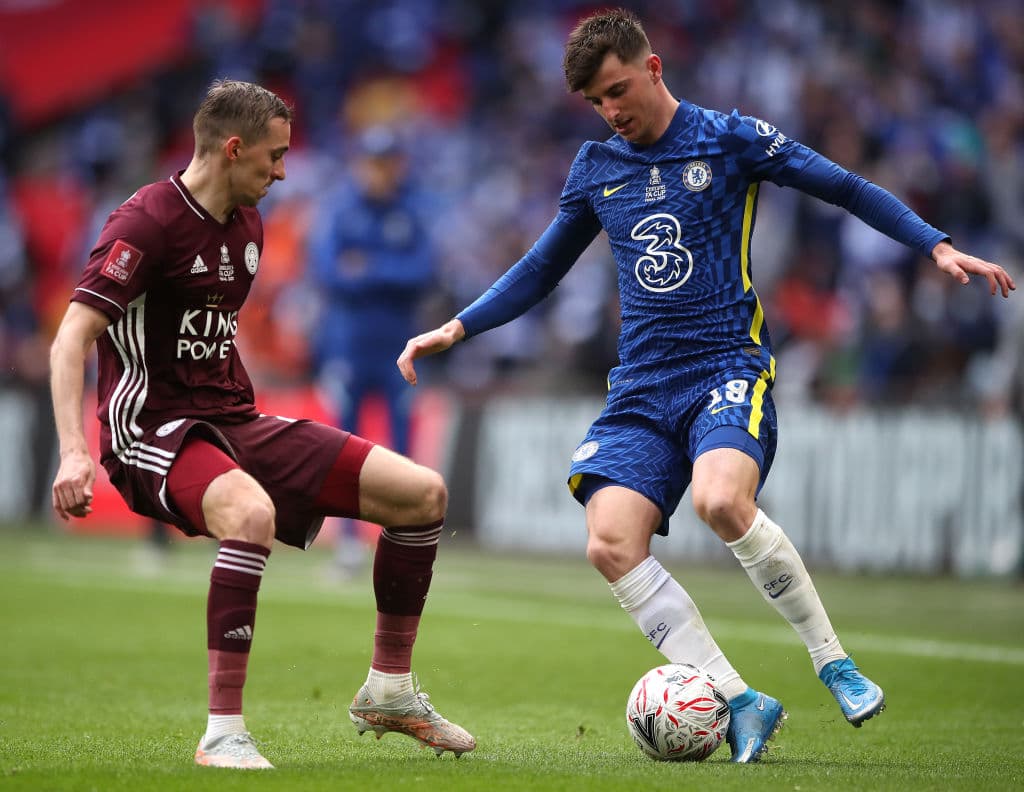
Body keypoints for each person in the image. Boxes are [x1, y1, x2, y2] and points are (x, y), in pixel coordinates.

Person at [397, 10, 1015, 764]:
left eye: (619, 90)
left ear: (653, 67)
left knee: (722, 501)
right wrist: (456, 329)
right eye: (596, 102)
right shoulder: (596, 167)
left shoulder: (731, 137)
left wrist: (936, 245)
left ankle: (834, 663)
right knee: (608, 541)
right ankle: (740, 698)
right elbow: (539, 270)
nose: (612, 111)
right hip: (641, 390)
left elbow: (845, 187)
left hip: (726, 367)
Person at [49, 79, 474, 770]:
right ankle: (223, 735)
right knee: (249, 513)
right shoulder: (145, 221)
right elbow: (70, 341)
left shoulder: (250, 227)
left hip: (232, 419)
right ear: (232, 147)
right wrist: (74, 453)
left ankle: (390, 691)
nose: (282, 173)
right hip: (149, 430)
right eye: (272, 158)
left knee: (421, 493)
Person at [307, 125, 437, 577]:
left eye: (388, 162)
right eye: (374, 162)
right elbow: (328, 272)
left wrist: (368, 268)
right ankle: (347, 543)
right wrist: (386, 272)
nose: (381, 172)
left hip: (398, 350)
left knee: (402, 450)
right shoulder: (341, 212)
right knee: (345, 448)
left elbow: (421, 273)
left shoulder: (410, 211)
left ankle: (403, 542)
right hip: (348, 347)